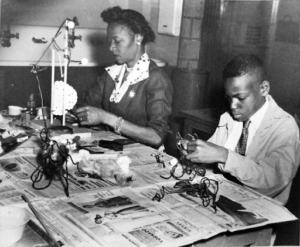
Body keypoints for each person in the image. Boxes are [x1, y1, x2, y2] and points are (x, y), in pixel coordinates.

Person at [184, 54, 300, 205]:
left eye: (241, 98)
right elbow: (210, 156)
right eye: (229, 98)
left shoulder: (285, 127)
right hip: (222, 198)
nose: (233, 106)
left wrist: (224, 155)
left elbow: (271, 181)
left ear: (263, 89)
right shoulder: (229, 118)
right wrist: (194, 152)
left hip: (258, 209)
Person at [67, 6, 173, 149]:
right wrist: (73, 110)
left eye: (117, 41)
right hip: (114, 148)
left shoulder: (156, 78)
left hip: (144, 153)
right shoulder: (112, 73)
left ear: (138, 37)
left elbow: (156, 137)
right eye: (110, 41)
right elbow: (86, 105)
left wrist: (106, 118)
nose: (111, 48)